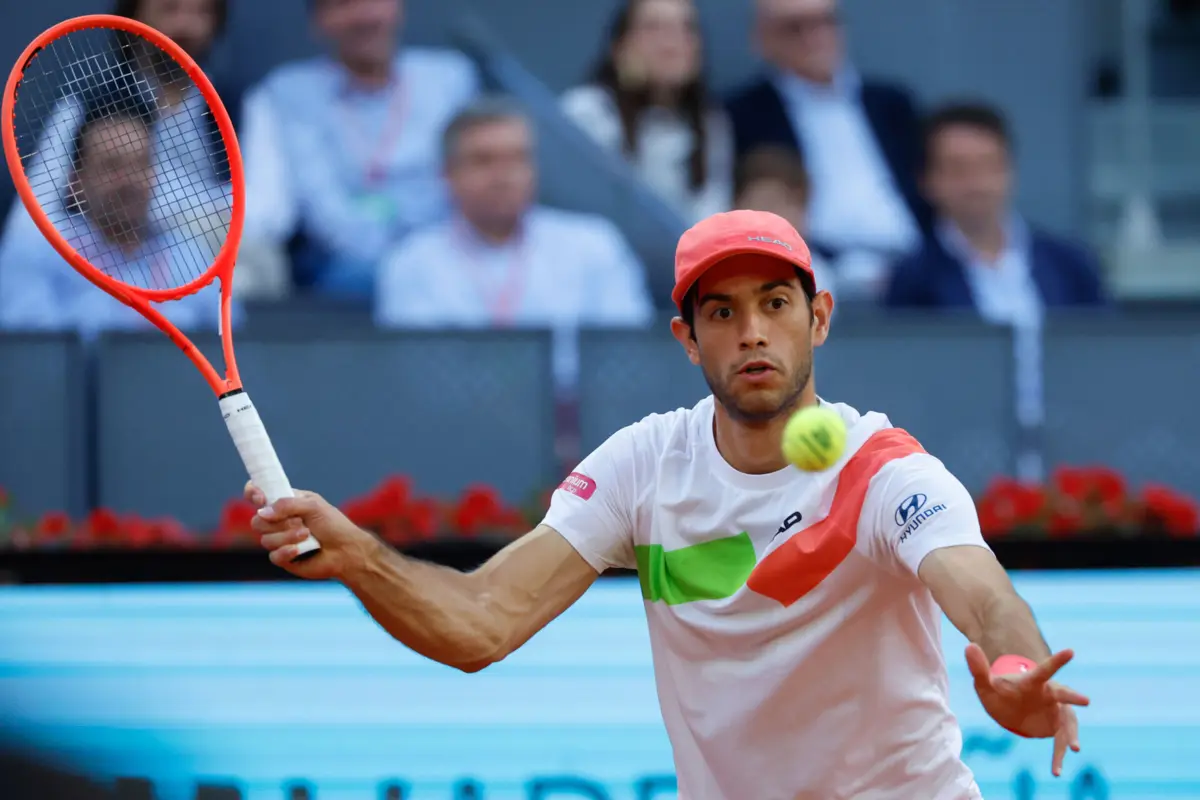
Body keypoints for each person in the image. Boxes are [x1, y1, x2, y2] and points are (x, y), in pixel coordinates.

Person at [248, 209, 1088, 799]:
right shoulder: (644, 466)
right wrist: (360, 557)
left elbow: (981, 592)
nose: (751, 331)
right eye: (722, 312)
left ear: (818, 319)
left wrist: (1015, 670)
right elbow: (483, 622)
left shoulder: (884, 471)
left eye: (775, 304)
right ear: (687, 339)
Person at [375, 96, 653, 392]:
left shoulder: (594, 245)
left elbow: (628, 360)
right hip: (458, 428)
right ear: (447, 174)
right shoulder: (411, 263)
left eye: (518, 159)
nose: (503, 176)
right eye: (483, 160)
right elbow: (423, 378)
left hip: (581, 425)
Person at [237, 0, 479, 300]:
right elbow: (322, 210)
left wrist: (424, 256)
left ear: (397, 8)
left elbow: (464, 180)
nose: (364, 15)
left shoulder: (449, 78)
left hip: (444, 253)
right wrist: (401, 265)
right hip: (343, 268)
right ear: (319, 22)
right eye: (344, 4)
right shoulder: (291, 91)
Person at [726, 0, 930, 299]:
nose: (813, 37)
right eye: (794, 28)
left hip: (912, 264)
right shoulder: (743, 115)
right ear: (762, 40)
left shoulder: (892, 105)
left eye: (824, 22)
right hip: (814, 268)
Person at [0, 88, 229, 337]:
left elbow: (235, 339)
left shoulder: (191, 257)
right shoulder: (36, 256)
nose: (129, 181)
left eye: (140, 164)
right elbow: (30, 356)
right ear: (76, 182)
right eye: (112, 167)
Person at [0, 0, 233, 244]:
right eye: (169, 8)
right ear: (135, 16)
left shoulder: (236, 110)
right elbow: (29, 224)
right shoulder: (82, 108)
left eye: (202, 12)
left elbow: (261, 212)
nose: (186, 26)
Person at [885, 102, 1107, 316]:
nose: (976, 183)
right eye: (958, 169)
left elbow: (1102, 345)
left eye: (989, 166)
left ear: (1010, 171)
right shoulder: (913, 277)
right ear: (927, 181)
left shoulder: (1070, 263)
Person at [560, 0, 733, 223]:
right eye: (654, 28)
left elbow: (711, 216)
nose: (672, 44)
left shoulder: (710, 123)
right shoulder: (587, 112)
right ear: (619, 47)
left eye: (686, 29)